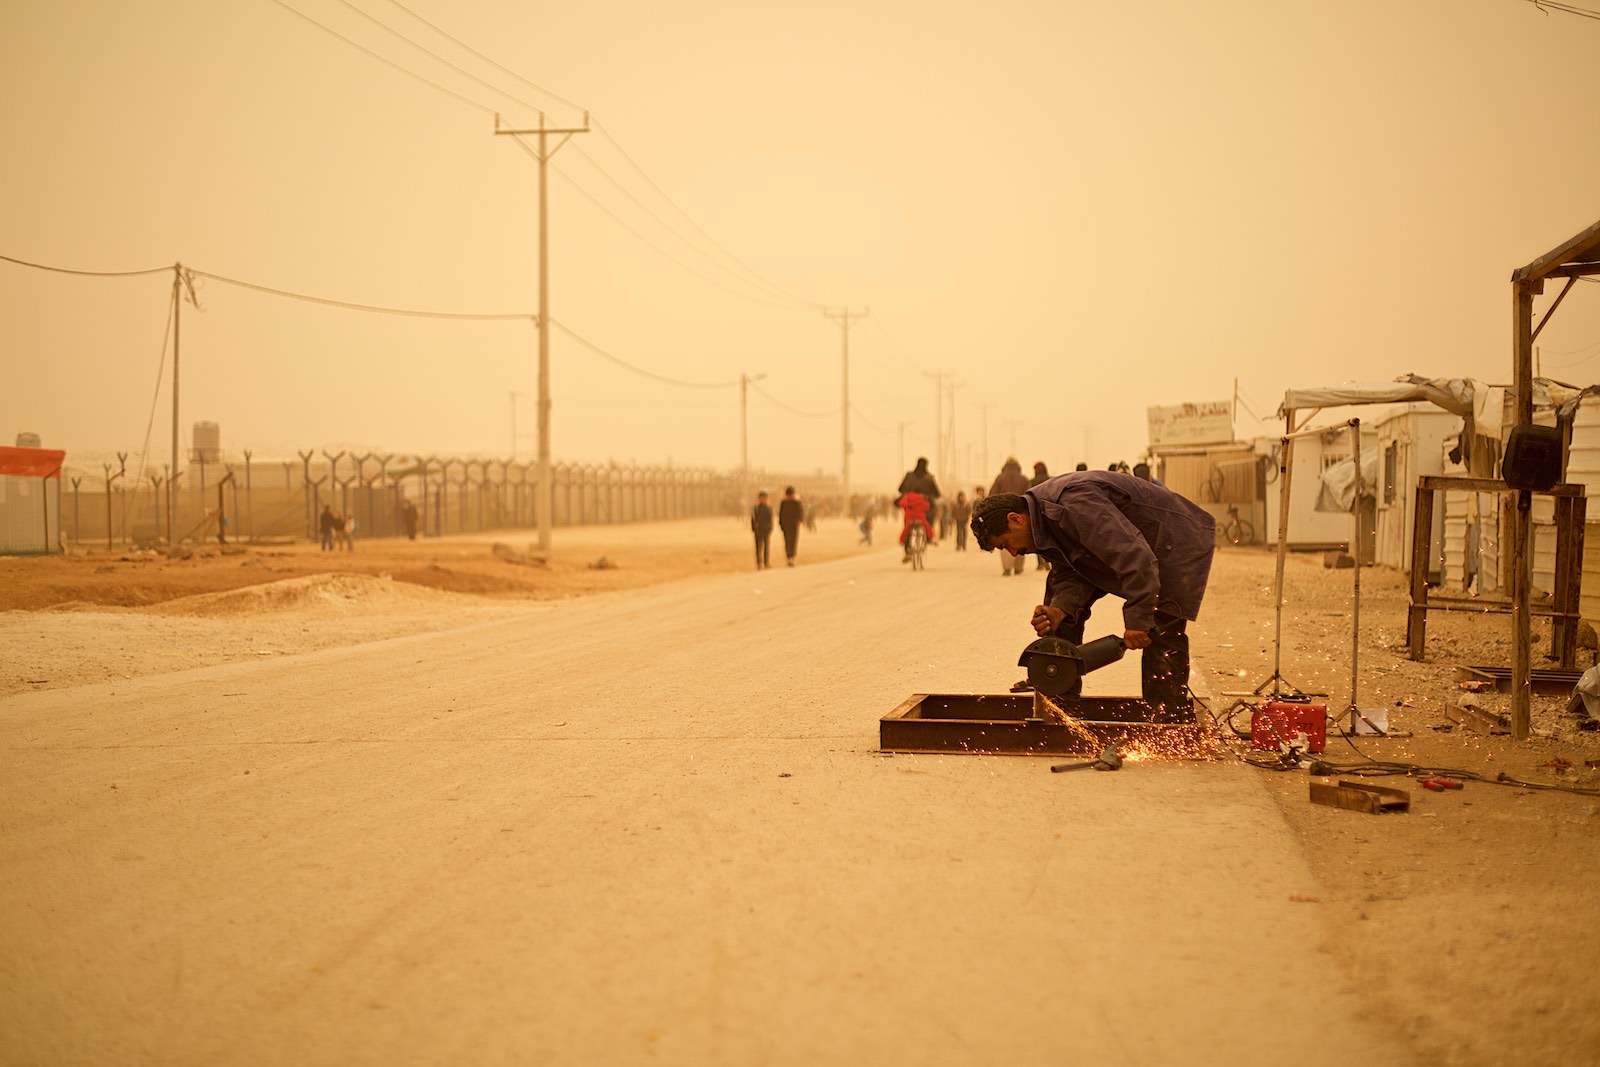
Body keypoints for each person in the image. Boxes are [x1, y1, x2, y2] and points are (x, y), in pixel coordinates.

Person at [969, 472, 1216, 721]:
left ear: (1015, 519)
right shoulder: (1042, 522)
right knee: (1060, 617)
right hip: (1135, 547)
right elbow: (1070, 569)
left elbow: (1133, 555)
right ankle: (1062, 706)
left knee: (1162, 626)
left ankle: (1168, 722)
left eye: (1005, 544)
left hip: (1173, 538)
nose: (1012, 553)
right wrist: (1060, 608)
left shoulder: (1073, 504)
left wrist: (1138, 618)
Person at [988, 457, 1030, 576]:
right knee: (1020, 538)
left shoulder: (1000, 478)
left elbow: (992, 495)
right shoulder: (1023, 479)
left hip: (1003, 514)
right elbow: (1030, 496)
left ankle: (1007, 567)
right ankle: (1018, 567)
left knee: (1005, 539)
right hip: (1020, 514)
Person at [897, 488, 934, 560]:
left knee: (906, 529)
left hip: (909, 517)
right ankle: (931, 538)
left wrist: (907, 507)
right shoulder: (922, 497)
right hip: (920, 518)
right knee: (927, 527)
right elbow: (927, 506)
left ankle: (902, 541)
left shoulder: (907, 496)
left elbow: (902, 504)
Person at [778, 486, 804, 566]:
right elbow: (781, 514)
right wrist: (781, 524)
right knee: (787, 541)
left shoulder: (797, 503)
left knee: (793, 541)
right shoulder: (783, 503)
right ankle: (789, 557)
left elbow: (800, 513)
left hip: (794, 525)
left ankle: (792, 556)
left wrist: (799, 521)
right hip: (786, 525)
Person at [751, 491, 773, 569]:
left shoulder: (769, 508)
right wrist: (754, 529)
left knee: (766, 547)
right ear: (759, 499)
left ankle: (766, 562)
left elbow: (770, 520)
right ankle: (759, 563)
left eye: (764, 498)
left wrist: (770, 529)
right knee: (758, 547)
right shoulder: (756, 508)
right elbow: (753, 519)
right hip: (758, 530)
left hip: (766, 530)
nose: (763, 500)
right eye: (761, 498)